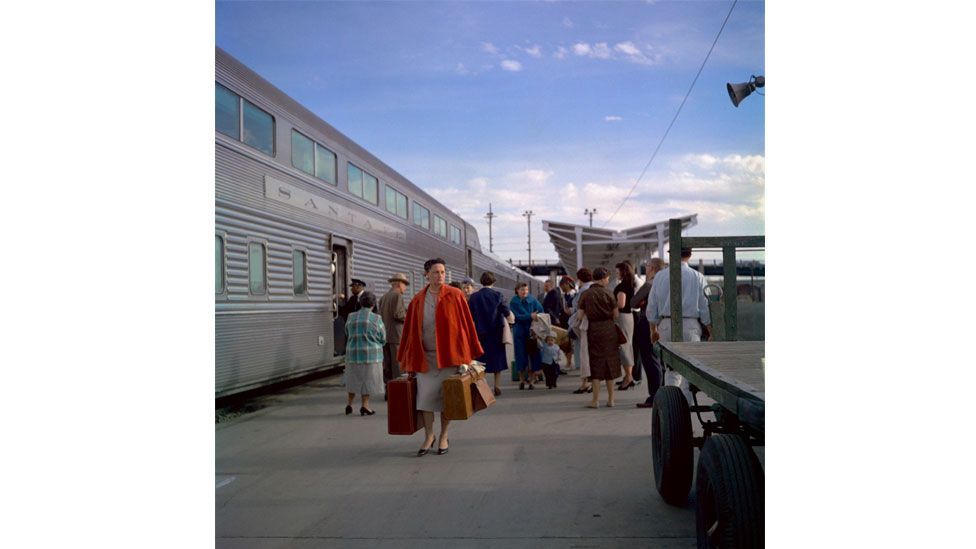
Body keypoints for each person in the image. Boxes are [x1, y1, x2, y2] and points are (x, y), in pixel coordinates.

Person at [398, 258, 484, 456]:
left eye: (443, 272)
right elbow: (410, 332)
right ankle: (429, 436)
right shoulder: (418, 300)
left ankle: (444, 435)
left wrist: (468, 354)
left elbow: (466, 324)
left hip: (449, 357)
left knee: (448, 398)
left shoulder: (455, 295)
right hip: (425, 358)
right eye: (436, 272)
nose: (440, 276)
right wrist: (407, 357)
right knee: (425, 399)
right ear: (426, 274)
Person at [647, 248, 712, 399]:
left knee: (671, 370)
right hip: (690, 325)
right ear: (689, 256)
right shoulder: (698, 277)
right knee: (690, 370)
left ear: (671, 255)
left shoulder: (660, 277)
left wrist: (653, 329)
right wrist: (710, 330)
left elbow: (652, 306)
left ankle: (671, 406)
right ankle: (685, 408)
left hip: (666, 324)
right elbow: (705, 307)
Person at [578, 267, 621, 408]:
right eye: (607, 278)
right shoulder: (609, 293)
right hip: (609, 330)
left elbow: (579, 316)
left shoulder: (585, 294)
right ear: (602, 278)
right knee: (610, 363)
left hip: (594, 330)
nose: (608, 280)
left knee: (595, 364)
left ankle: (595, 400)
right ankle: (611, 399)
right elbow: (616, 315)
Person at [467, 272, 512, 395]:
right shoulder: (498, 295)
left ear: (481, 281)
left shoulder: (474, 297)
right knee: (497, 360)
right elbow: (506, 311)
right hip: (496, 332)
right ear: (494, 282)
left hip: (480, 333)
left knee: (481, 361)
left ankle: (483, 386)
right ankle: (497, 386)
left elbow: (469, 315)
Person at [343, 291, 386, 416]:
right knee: (367, 381)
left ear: (360, 303)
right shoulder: (376, 318)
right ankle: (365, 406)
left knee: (352, 379)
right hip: (370, 355)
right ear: (373, 304)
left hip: (352, 354)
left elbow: (347, 333)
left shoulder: (351, 316)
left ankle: (349, 404)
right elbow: (382, 337)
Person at [633, 258, 667, 408]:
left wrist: (642, 302)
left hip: (647, 323)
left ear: (652, 268)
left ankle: (654, 396)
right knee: (661, 360)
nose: (645, 268)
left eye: (646, 266)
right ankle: (663, 392)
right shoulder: (667, 283)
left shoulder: (649, 284)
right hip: (664, 322)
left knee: (649, 359)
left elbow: (633, 303)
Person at [378, 272, 409, 398]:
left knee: (388, 366)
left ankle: (388, 391)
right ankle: (398, 392)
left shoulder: (383, 297)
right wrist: (410, 317)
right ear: (399, 284)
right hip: (396, 336)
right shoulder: (397, 296)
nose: (405, 288)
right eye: (405, 284)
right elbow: (398, 314)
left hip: (385, 336)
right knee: (398, 366)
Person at [510, 282, 544, 390]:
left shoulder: (533, 300)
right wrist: (530, 316)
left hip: (531, 331)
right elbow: (516, 317)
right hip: (520, 332)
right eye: (522, 290)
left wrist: (535, 318)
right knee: (521, 356)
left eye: (526, 290)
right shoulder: (513, 302)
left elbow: (541, 311)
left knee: (533, 355)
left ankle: (531, 380)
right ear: (517, 290)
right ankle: (521, 380)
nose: (524, 292)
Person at [614, 261, 638, 391]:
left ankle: (628, 377)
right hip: (628, 317)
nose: (616, 274)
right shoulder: (629, 284)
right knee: (627, 345)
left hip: (622, 317)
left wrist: (610, 306)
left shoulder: (622, 286)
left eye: (618, 272)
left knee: (624, 346)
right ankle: (628, 376)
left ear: (623, 273)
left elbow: (621, 304)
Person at [570, 268, 594, 394]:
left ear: (579, 278)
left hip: (585, 324)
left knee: (585, 354)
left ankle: (585, 383)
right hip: (596, 325)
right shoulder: (596, 288)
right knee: (590, 354)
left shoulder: (583, 290)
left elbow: (577, 306)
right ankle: (590, 382)